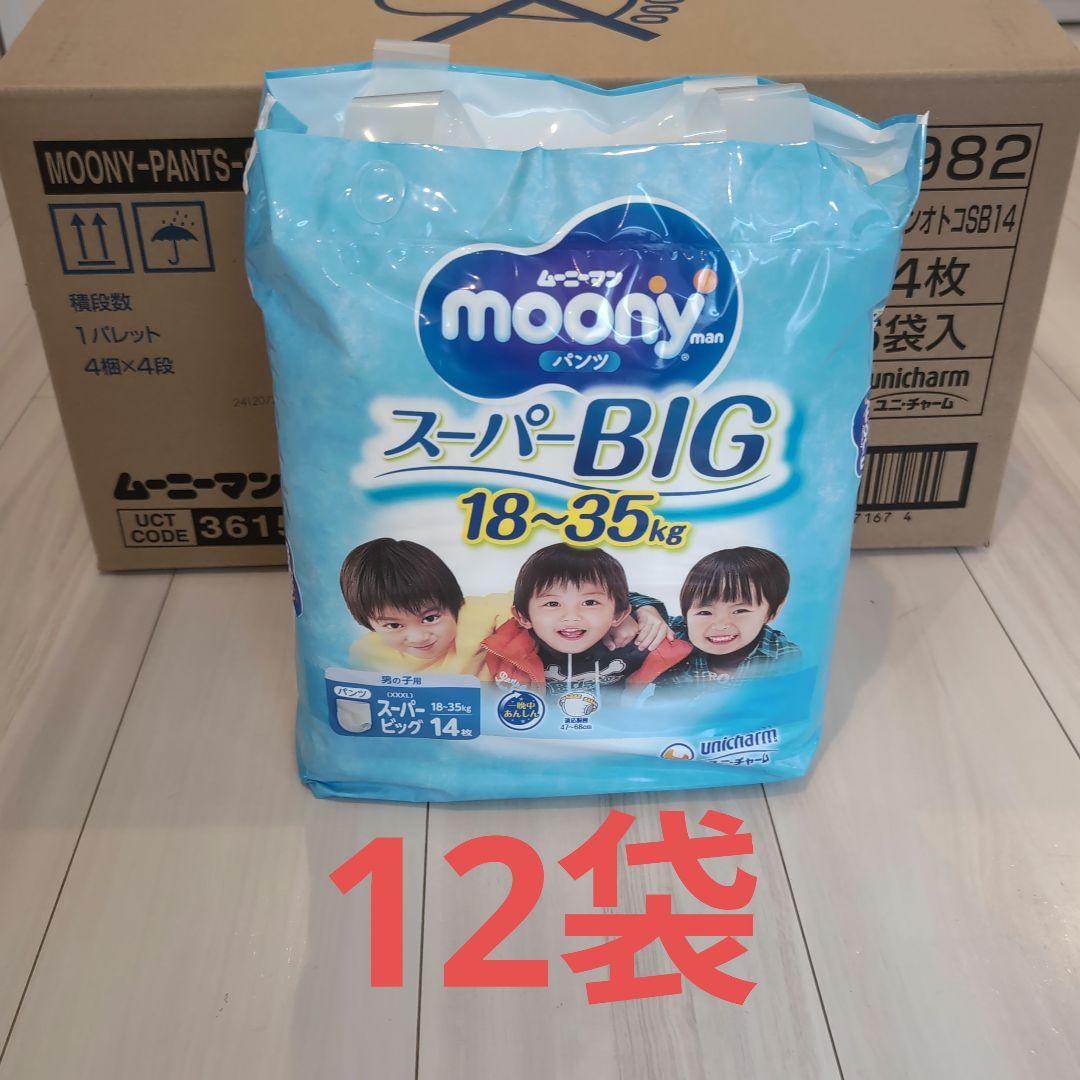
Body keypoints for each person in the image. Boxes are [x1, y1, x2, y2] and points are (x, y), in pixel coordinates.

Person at [341, 537, 669, 677]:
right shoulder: (364, 655)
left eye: (430, 618)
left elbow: (558, 593)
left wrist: (638, 611)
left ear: (455, 604)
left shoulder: (479, 613)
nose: (418, 637)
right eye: (393, 625)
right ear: (367, 622)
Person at [483, 543, 689, 696]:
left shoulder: (642, 643)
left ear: (618, 614)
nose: (571, 617)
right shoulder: (506, 650)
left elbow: (694, 626)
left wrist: (646, 608)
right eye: (552, 604)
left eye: (590, 602)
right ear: (523, 616)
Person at [654, 546, 800, 694]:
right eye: (705, 612)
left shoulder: (783, 656)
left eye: (740, 611)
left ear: (772, 612)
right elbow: (637, 607)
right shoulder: (672, 633)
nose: (721, 625)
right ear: (686, 616)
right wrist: (647, 610)